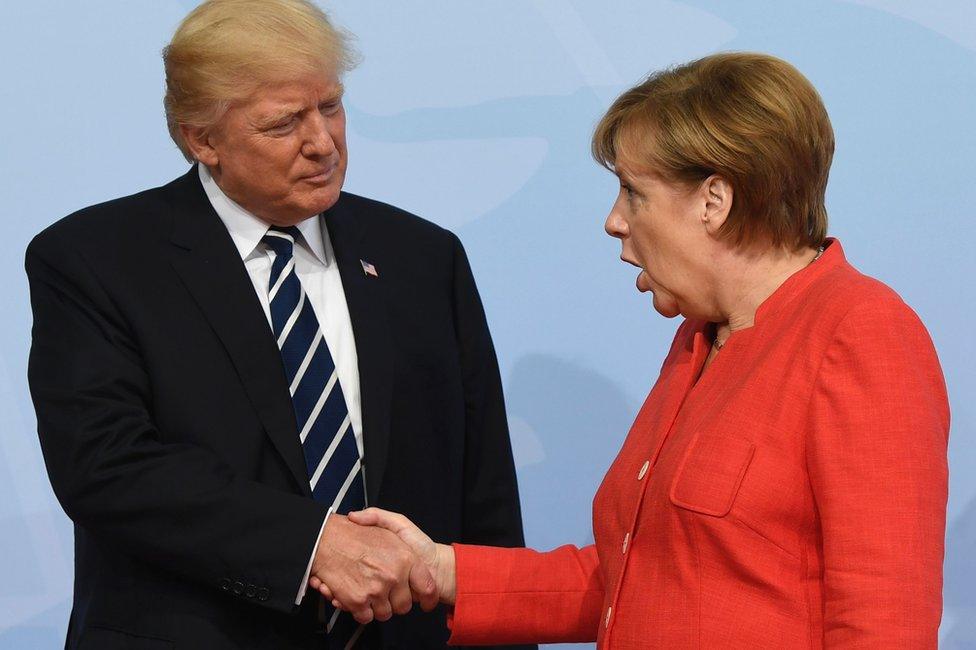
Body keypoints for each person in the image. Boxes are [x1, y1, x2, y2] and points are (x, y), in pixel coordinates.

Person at [333, 52, 951, 648]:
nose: (613, 220)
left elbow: (883, 620)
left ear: (715, 199)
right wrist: (440, 569)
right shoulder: (698, 339)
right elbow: (631, 580)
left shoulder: (862, 333)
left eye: (633, 192)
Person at [25, 1, 532, 648]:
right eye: (283, 123)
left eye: (331, 106)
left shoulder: (422, 257)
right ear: (201, 139)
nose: (322, 142)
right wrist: (313, 546)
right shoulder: (97, 260)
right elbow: (105, 466)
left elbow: (481, 490)